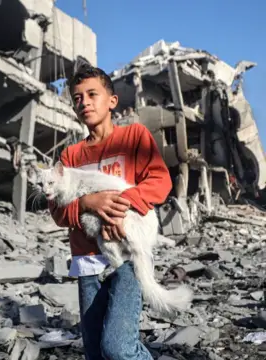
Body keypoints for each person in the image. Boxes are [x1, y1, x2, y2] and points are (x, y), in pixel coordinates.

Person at [49, 65, 172, 360]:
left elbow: (160, 181)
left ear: (112, 101)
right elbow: (57, 211)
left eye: (92, 94)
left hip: (126, 259)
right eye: (77, 98)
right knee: (95, 353)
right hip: (87, 263)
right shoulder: (70, 156)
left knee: (116, 348)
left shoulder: (133, 137)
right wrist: (88, 204)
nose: (85, 102)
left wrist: (123, 204)